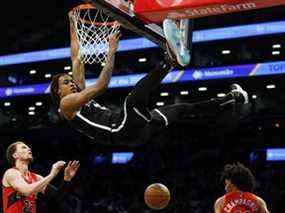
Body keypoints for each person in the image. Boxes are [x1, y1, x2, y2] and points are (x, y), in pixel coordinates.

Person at [49, 14, 249, 146]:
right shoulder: (67, 105)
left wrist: (72, 22)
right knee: (133, 98)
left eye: (70, 79)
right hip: (120, 129)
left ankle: (233, 98)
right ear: (58, 92)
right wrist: (111, 52)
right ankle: (170, 61)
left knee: (181, 109)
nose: (72, 82)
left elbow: (76, 57)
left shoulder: (78, 95)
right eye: (66, 82)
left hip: (137, 131)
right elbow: (101, 86)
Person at [2, 141, 80, 213]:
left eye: (28, 147)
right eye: (24, 147)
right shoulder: (11, 173)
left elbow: (57, 197)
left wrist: (66, 179)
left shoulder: (37, 178)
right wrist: (51, 175)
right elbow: (26, 190)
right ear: (15, 155)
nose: (29, 148)